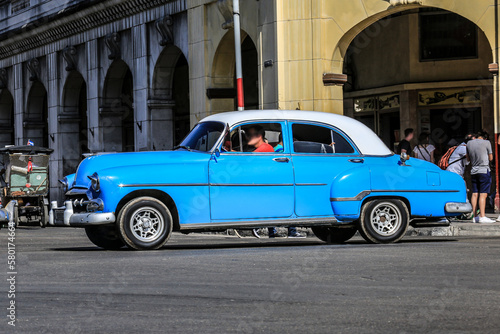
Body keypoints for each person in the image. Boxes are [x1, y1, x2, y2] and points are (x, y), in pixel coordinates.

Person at [266, 134, 305, 239]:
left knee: (274, 206)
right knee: (290, 202)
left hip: (277, 181)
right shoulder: (281, 150)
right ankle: (292, 231)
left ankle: (272, 231)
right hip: (282, 181)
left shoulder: (276, 149)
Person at [467, 130, 495, 223]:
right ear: (485, 137)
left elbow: (468, 158)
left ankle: (475, 216)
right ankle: (482, 216)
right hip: (484, 170)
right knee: (483, 194)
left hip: (473, 171)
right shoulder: (487, 143)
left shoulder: (469, 143)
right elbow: (491, 158)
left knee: (474, 193)